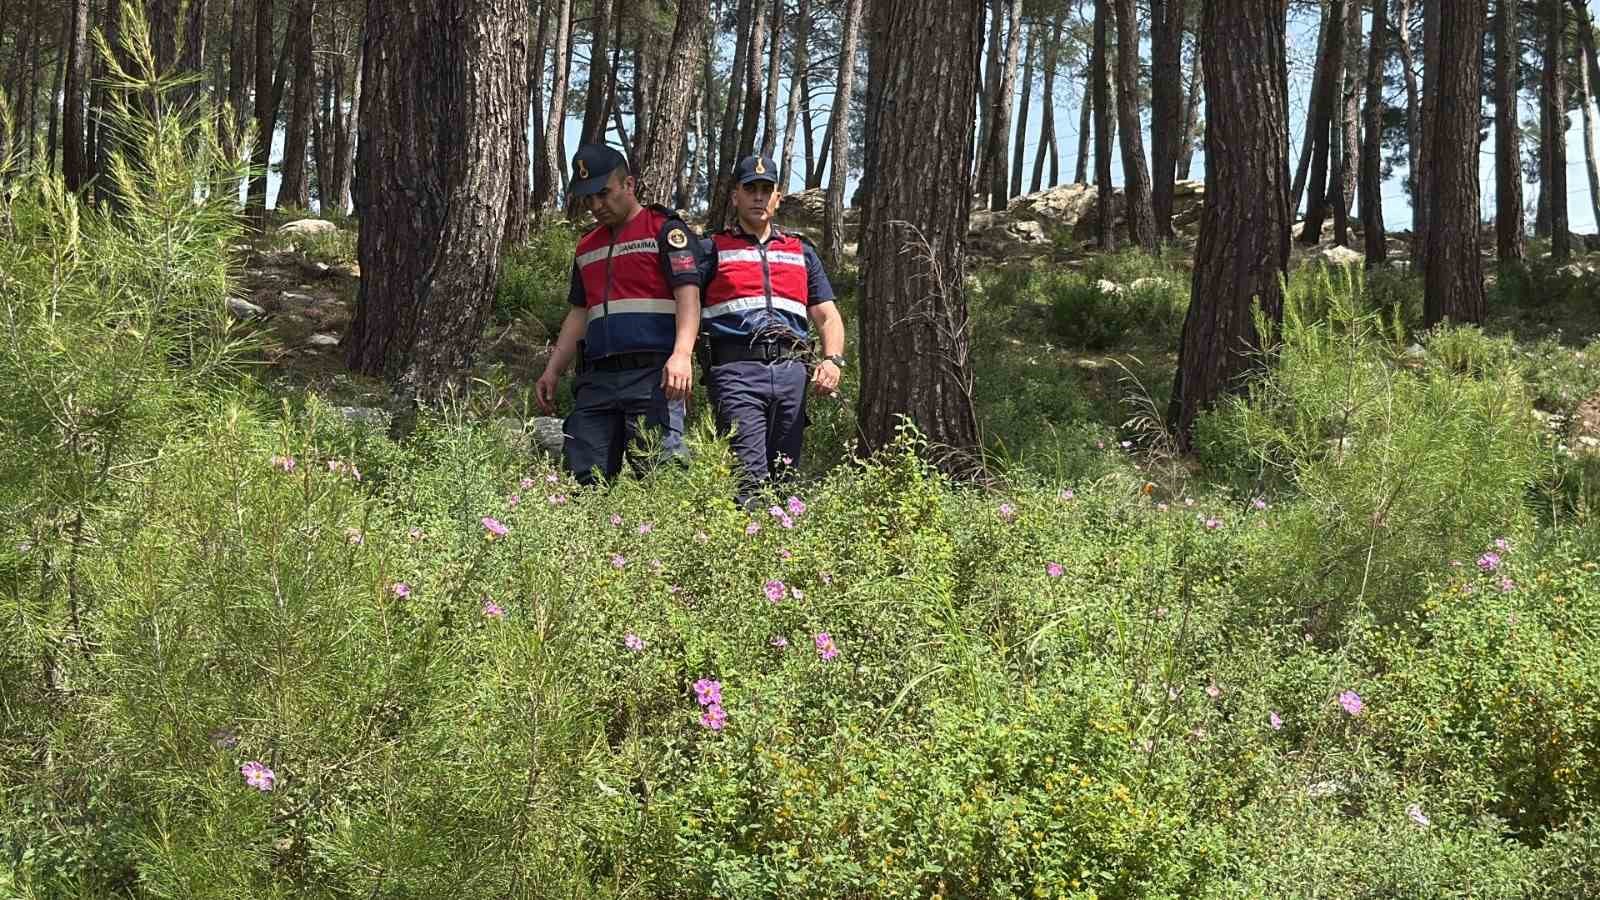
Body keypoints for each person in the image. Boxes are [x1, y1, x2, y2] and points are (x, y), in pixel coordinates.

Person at [535, 144, 703, 485]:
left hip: (654, 377)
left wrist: (683, 355)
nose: (596, 206)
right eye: (588, 198)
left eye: (603, 193)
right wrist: (553, 370)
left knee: (661, 478)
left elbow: (689, 296)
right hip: (596, 381)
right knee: (584, 481)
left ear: (629, 184)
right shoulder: (586, 246)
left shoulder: (664, 230)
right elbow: (579, 314)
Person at [698, 154, 847, 505]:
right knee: (748, 477)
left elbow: (828, 316)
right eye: (751, 189)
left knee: (785, 478)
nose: (759, 197)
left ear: (778, 197)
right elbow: (684, 309)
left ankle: (782, 554)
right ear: (735, 196)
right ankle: (747, 550)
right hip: (735, 372)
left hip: (792, 374)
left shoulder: (801, 252)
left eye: (767, 189)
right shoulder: (711, 249)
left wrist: (833, 360)